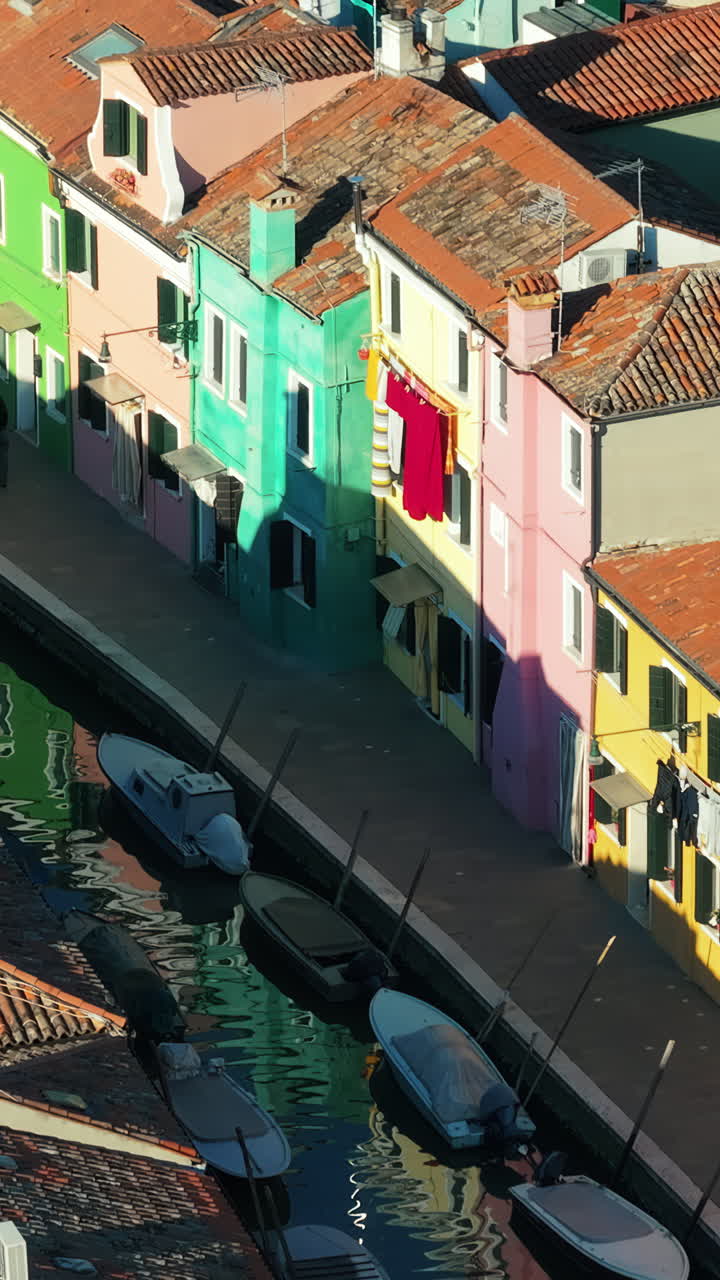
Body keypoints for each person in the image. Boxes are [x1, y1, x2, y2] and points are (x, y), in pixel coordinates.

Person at [0, 397, 8, 487]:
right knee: (4, 458)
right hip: (2, 432)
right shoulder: (1, 400)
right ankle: (3, 482)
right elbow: (6, 414)